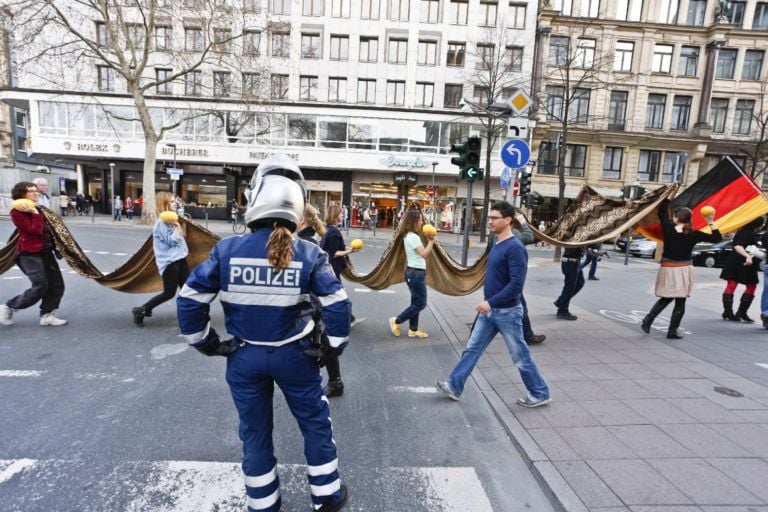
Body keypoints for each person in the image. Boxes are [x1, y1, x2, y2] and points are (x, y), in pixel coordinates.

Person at [177, 155, 350, 512]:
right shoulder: (310, 253)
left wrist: (209, 345)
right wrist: (332, 349)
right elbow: (337, 304)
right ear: (297, 203)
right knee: (316, 427)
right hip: (296, 357)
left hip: (244, 356)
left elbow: (190, 302)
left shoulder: (227, 249)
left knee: (254, 434)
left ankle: (264, 503)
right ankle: (326, 497)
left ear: (254, 197)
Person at [436, 201, 550, 407]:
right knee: (472, 349)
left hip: (507, 313)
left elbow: (516, 285)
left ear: (508, 220)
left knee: (519, 355)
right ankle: (454, 386)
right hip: (489, 313)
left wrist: (490, 302)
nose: (490, 221)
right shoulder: (497, 243)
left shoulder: (515, 247)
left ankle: (540, 392)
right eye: (489, 217)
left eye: (494, 218)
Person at [641, 200, 722, 339]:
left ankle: (648, 319)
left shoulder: (668, 227)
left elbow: (661, 213)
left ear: (676, 217)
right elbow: (717, 238)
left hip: (668, 267)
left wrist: (668, 198)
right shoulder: (694, 233)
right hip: (684, 268)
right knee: (680, 300)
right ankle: (672, 331)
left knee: (666, 297)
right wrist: (710, 221)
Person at [0, 182, 67, 327]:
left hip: (46, 252)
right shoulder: (17, 212)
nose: (36, 193)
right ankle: (9, 307)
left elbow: (51, 230)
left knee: (57, 285)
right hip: (29, 254)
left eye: (36, 191)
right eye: (31, 191)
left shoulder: (39, 209)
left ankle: (47, 315)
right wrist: (35, 214)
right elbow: (34, 230)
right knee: (40, 285)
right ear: (21, 194)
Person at [320, 204, 362, 398]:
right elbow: (333, 253)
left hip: (328, 268)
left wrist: (346, 249)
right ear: (336, 215)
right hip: (333, 268)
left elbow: (331, 248)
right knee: (337, 295)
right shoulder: (334, 232)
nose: (342, 215)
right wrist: (350, 252)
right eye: (340, 213)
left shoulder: (327, 230)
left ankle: (350, 316)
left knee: (337, 294)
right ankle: (348, 317)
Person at [131, 192, 189, 327]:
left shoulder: (172, 219)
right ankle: (141, 310)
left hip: (180, 259)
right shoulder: (161, 223)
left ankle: (187, 317)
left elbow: (182, 240)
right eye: (172, 202)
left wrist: (179, 224)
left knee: (187, 289)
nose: (175, 203)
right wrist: (177, 228)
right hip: (170, 263)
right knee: (169, 293)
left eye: (175, 201)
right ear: (164, 204)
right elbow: (173, 241)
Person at [389, 209, 436, 339]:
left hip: (414, 273)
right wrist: (431, 241)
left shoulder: (410, 235)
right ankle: (397, 320)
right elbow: (424, 254)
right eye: (420, 219)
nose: (422, 222)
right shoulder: (413, 237)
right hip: (416, 274)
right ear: (414, 221)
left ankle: (413, 329)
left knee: (416, 302)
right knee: (421, 303)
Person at [720, 217, 764, 322]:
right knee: (749, 286)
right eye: (762, 223)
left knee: (733, 285)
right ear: (757, 224)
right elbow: (738, 246)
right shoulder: (747, 233)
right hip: (743, 262)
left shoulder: (743, 232)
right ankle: (739, 312)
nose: (763, 225)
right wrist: (747, 256)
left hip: (736, 262)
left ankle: (730, 312)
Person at [554, 246, 585, 320]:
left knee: (580, 282)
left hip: (574, 261)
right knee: (569, 287)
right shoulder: (576, 236)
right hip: (572, 261)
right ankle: (562, 311)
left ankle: (560, 301)